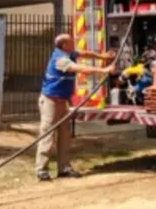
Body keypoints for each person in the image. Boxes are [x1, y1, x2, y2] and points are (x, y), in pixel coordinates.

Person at [35, 33, 115, 181]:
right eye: (71, 41)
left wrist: (102, 57)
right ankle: (41, 170)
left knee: (65, 135)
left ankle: (64, 168)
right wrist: (103, 70)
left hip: (62, 101)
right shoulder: (60, 59)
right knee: (48, 134)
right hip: (50, 101)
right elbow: (80, 68)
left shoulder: (69, 53)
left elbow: (85, 53)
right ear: (64, 45)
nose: (74, 43)